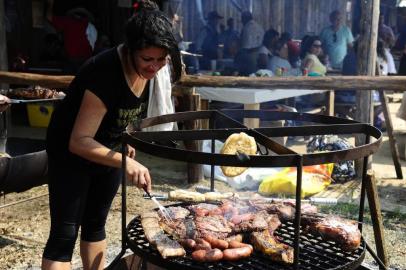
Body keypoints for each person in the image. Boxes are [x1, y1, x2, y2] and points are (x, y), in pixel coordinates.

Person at [41, 1, 182, 269]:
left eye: (161, 59)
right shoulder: (104, 73)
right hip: (71, 152)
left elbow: (119, 113)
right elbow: (78, 141)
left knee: (95, 223)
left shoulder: (151, 69)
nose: (154, 67)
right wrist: (125, 162)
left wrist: (124, 143)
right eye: (147, 59)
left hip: (109, 149)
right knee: (64, 234)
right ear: (130, 51)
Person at [46, 0, 97, 74]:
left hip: (74, 62)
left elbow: (49, 17)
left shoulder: (68, 22)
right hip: (86, 61)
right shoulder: (91, 26)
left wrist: (50, 3)